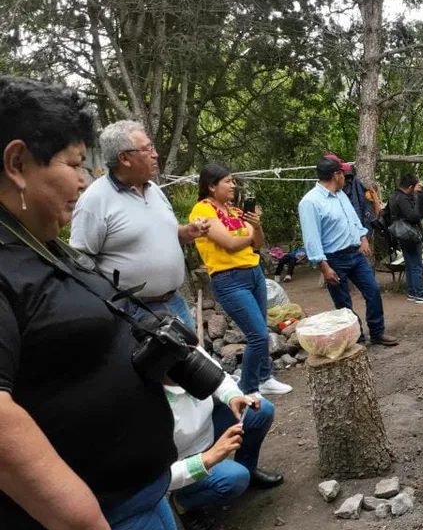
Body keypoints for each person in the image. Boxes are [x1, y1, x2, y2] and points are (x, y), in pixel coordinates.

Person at [0, 75, 259, 530]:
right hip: (99, 517)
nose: (84, 180)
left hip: (136, 493)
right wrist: (82, 527)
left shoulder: (39, 242)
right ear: (18, 163)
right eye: (73, 164)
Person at [70, 120, 208, 329]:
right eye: (147, 149)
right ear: (124, 158)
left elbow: (164, 234)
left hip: (175, 303)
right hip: (134, 312)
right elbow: (80, 263)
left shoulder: (154, 189)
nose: (155, 154)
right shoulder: (94, 200)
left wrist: (187, 232)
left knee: (195, 361)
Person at [189, 164, 292, 396]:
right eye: (227, 181)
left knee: (261, 329)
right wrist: (248, 233)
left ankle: (265, 378)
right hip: (229, 279)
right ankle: (247, 388)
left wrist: (255, 226)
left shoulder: (235, 210)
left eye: (232, 180)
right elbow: (230, 243)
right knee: (257, 335)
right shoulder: (202, 211)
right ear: (212, 186)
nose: (233, 185)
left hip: (253, 272)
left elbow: (258, 243)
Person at [166, 353, 282, 530]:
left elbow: (219, 377)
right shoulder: (141, 402)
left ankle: (248, 469)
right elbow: (153, 479)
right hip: (182, 458)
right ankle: (183, 501)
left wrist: (232, 396)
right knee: (234, 479)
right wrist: (206, 459)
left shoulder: (183, 351)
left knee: (261, 411)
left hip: (207, 429)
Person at [298, 157, 399, 346]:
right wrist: (324, 267)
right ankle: (357, 338)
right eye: (343, 173)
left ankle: (377, 332)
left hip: (355, 255)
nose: (346, 176)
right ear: (335, 175)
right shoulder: (310, 202)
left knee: (373, 290)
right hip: (333, 259)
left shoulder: (340, 195)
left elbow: (353, 219)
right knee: (344, 304)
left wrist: (362, 238)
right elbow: (311, 238)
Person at [382, 173, 423, 304]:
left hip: (400, 233)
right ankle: (419, 293)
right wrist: (419, 198)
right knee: (416, 265)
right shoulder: (402, 198)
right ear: (411, 187)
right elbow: (412, 215)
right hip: (409, 234)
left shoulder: (394, 196)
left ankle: (412, 292)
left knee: (410, 264)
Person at [328, 153, 377, 230]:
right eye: (341, 173)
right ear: (335, 175)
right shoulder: (315, 200)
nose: (343, 176)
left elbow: (357, 208)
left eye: (344, 173)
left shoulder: (344, 191)